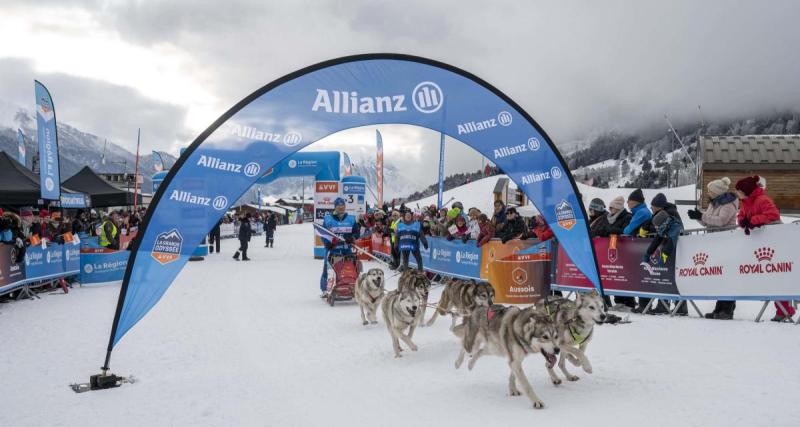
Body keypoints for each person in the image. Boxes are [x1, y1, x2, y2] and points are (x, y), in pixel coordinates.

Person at [735, 175, 792, 322]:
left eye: (739, 191)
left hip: (777, 241)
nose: (737, 194)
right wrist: (742, 221)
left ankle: (785, 309)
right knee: (770, 276)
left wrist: (753, 220)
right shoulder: (744, 202)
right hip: (763, 244)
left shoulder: (762, 200)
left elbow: (773, 215)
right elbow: (741, 215)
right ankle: (783, 309)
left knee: (779, 274)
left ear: (746, 191)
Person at [688, 177, 739, 319]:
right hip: (715, 242)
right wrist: (697, 217)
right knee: (719, 276)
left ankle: (727, 309)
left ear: (717, 192)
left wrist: (702, 216)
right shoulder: (714, 203)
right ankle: (719, 308)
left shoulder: (728, 204)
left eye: (710, 190)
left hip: (726, 242)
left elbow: (721, 221)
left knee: (726, 276)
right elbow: (708, 222)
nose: (708, 192)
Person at [319, 198, 360, 297]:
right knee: (327, 268)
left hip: (346, 249)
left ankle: (354, 286)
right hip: (333, 249)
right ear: (335, 207)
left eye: (343, 206)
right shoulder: (328, 219)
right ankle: (325, 289)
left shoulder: (351, 219)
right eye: (339, 206)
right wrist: (327, 244)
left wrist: (352, 238)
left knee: (353, 267)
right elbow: (323, 234)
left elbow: (357, 232)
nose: (341, 208)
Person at [623, 189, 652, 314]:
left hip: (641, 246)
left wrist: (625, 230)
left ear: (635, 202)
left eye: (629, 201)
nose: (627, 203)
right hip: (641, 246)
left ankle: (644, 304)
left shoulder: (641, 212)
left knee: (642, 275)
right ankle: (643, 303)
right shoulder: (640, 211)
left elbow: (628, 230)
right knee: (641, 275)